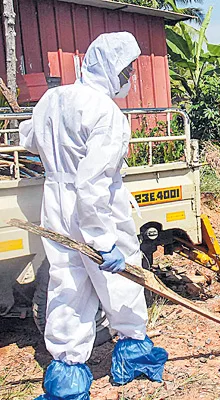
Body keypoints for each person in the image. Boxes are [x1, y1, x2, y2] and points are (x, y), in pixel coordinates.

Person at [19, 32, 168, 400]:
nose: (129, 77)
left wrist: (60, 157)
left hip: (56, 203)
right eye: (127, 69)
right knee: (120, 282)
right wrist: (104, 243)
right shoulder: (107, 113)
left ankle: (67, 378)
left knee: (67, 285)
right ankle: (132, 355)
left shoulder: (52, 98)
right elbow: (92, 184)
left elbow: (29, 141)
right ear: (112, 69)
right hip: (97, 207)